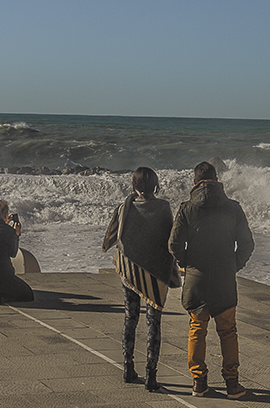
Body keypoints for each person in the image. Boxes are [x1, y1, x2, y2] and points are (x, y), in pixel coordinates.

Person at [170, 162, 254, 399]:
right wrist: (235, 264)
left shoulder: (187, 208)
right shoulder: (233, 208)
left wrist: (187, 263)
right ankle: (232, 384)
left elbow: (174, 244)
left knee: (197, 328)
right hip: (224, 279)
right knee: (228, 331)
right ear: (217, 180)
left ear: (195, 183)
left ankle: (199, 382)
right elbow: (247, 243)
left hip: (196, 279)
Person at [103, 167, 179, 392]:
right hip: (155, 275)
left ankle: (127, 368)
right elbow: (170, 240)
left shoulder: (124, 208)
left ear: (134, 185)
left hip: (129, 272)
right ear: (155, 185)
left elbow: (111, 237)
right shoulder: (163, 208)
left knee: (130, 318)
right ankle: (151, 375)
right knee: (153, 323)